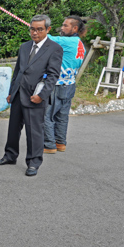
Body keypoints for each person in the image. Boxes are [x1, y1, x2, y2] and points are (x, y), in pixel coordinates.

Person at [0, 15, 63, 177]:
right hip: (18, 93)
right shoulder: (24, 47)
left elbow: (53, 76)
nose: (35, 33)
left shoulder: (54, 49)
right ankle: (10, 156)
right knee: (13, 128)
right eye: (32, 29)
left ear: (48, 30)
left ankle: (33, 162)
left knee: (34, 130)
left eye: (39, 29)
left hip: (35, 96)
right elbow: (18, 71)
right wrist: (11, 91)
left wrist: (42, 95)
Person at [43, 15, 87, 153]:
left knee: (46, 114)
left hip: (57, 84)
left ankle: (49, 144)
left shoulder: (67, 42)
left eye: (65, 25)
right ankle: (60, 143)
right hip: (70, 84)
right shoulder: (80, 44)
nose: (62, 28)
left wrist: (37, 29)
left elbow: (44, 38)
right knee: (61, 116)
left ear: (74, 28)